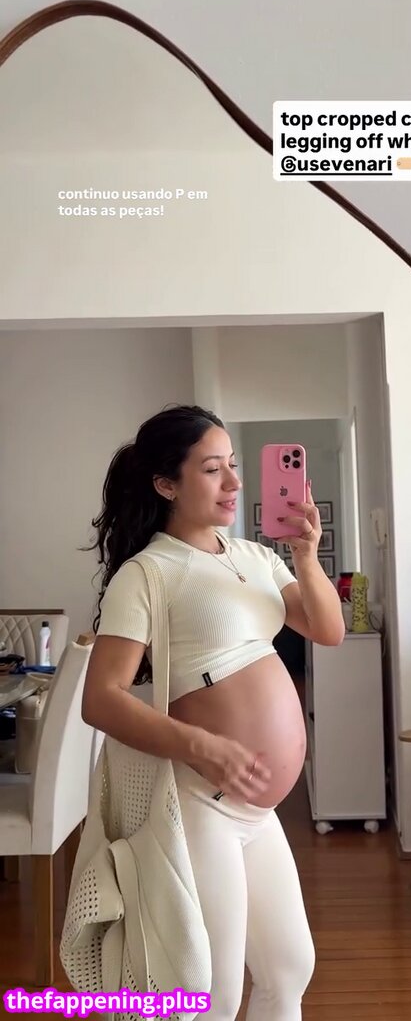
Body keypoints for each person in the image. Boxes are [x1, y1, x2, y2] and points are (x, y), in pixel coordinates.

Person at [81, 404, 345, 1021]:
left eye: (233, 465)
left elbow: (328, 630)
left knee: (289, 969)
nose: (233, 482)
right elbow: (101, 698)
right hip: (202, 803)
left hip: (257, 810)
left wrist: (307, 556)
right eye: (211, 469)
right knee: (215, 992)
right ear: (165, 484)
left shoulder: (255, 556)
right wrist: (205, 746)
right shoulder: (147, 574)